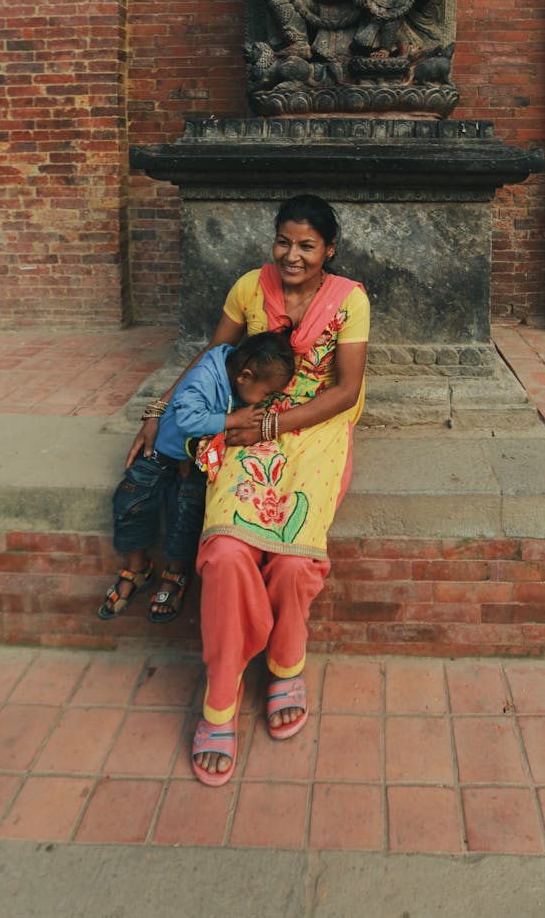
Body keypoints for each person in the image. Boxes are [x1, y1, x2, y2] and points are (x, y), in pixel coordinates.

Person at [129, 194, 370, 786]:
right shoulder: (247, 288)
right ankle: (222, 690)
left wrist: (273, 426)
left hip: (312, 428)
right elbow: (217, 356)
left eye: (307, 245)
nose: (292, 254)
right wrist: (162, 407)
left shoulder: (350, 301)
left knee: (292, 557)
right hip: (243, 422)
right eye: (283, 241)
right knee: (228, 550)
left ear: (329, 249)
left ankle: (285, 663)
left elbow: (344, 390)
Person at [97, 331, 296, 624]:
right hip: (162, 455)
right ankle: (137, 567)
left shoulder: (239, 375)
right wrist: (233, 420)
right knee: (130, 499)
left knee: (189, 510)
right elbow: (187, 420)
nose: (266, 400)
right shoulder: (203, 376)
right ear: (244, 376)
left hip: (197, 460)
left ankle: (176, 572)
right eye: (266, 394)